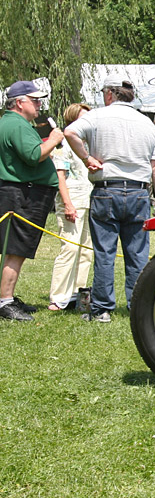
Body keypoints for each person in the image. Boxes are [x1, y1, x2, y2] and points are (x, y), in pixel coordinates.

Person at [64, 80, 155, 323]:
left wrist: (87, 158)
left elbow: (69, 132)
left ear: (110, 94)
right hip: (139, 191)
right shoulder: (147, 124)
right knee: (138, 253)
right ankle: (138, 306)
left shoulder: (97, 116)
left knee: (105, 251)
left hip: (106, 189)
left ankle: (102, 309)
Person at [0, 80, 64, 321]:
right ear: (19, 102)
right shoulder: (16, 124)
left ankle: (6, 297)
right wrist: (53, 139)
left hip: (22, 192)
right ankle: (5, 302)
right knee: (15, 249)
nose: (39, 105)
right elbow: (34, 155)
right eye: (35, 100)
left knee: (16, 249)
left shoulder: (13, 123)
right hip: (24, 194)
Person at [49, 103, 94, 311]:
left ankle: (78, 293)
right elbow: (60, 177)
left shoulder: (88, 144)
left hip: (90, 200)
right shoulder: (63, 146)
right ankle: (58, 297)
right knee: (70, 248)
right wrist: (67, 204)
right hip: (72, 201)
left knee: (86, 250)